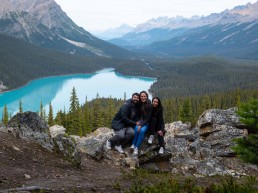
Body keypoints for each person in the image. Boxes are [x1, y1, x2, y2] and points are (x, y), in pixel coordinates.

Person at [131, 91, 152, 156]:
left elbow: (148, 118)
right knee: (136, 129)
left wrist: (141, 125)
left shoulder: (149, 105)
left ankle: (136, 148)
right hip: (139, 121)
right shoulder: (139, 104)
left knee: (142, 130)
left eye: (144, 96)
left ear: (147, 96)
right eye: (142, 96)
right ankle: (133, 145)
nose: (143, 98)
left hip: (146, 122)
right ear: (140, 97)